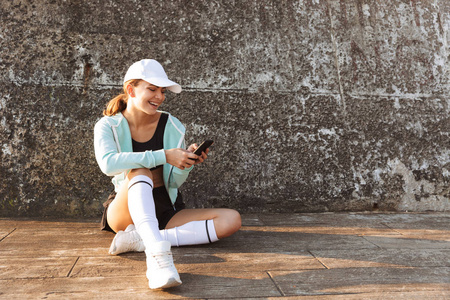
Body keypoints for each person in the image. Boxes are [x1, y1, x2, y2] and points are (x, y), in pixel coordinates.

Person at [94, 59, 241, 289]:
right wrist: (163, 155)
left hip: (165, 206)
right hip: (126, 212)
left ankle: (143, 239)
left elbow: (173, 181)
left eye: (162, 91)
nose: (159, 96)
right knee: (140, 170)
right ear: (131, 90)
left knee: (231, 220)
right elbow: (108, 164)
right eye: (151, 89)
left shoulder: (172, 125)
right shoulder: (107, 125)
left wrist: (186, 163)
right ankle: (158, 258)